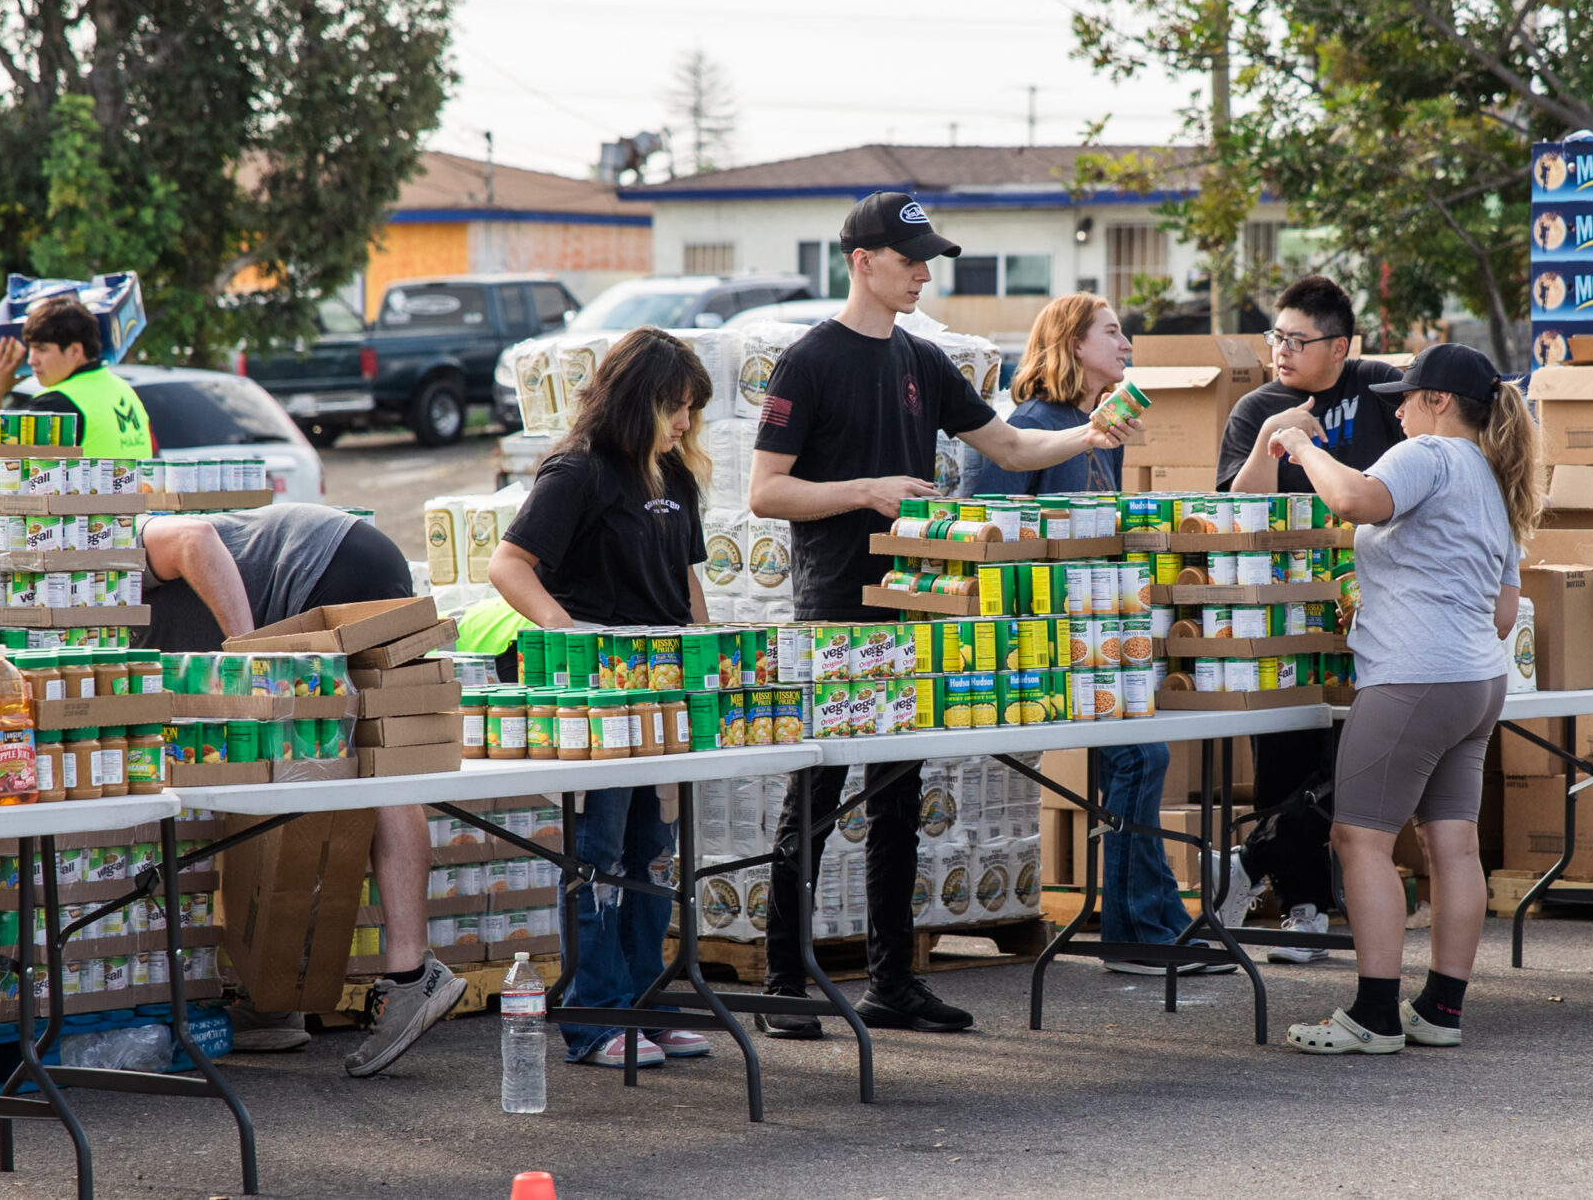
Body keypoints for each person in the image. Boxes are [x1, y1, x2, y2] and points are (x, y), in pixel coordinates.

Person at [749, 192, 1135, 1036]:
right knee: (816, 791)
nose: (925, 271)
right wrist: (868, 490)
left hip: (913, 603)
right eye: (911, 256)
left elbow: (1008, 445)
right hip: (836, 606)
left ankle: (892, 979)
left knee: (901, 791)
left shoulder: (921, 359)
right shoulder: (808, 361)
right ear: (862, 261)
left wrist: (1086, 435)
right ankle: (783, 978)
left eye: (929, 258)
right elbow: (764, 490)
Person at [136, 502, 462, 1075]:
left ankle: (411, 976)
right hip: (349, 559)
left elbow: (197, 537)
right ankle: (276, 997)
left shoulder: (113, 547)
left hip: (330, 568)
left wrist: (250, 654)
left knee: (372, 773)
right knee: (340, 773)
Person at [1271, 344, 1534, 1055]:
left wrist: (1298, 442)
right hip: (1477, 681)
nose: (1397, 407)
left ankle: (1374, 1013)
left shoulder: (1429, 455)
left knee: (1359, 837)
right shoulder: (1494, 477)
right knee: (1452, 844)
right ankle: (1441, 1007)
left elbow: (1353, 498)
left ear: (1440, 401)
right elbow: (1504, 610)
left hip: (1414, 677)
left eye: (1408, 395)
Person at [968, 296, 1231, 977]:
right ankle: (1141, 928)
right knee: (1141, 756)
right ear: (1073, 343)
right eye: (1113, 332)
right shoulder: (1030, 426)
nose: (1128, 344)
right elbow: (986, 530)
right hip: (1037, 640)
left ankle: (1146, 924)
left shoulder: (1098, 427)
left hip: (1099, 632)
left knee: (1138, 756)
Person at [487, 328, 714, 1069]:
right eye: (676, 406)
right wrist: (569, 631)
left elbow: (688, 583)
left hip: (664, 695)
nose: (684, 422)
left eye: (690, 409)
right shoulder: (577, 471)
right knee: (599, 850)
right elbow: (508, 564)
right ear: (637, 398)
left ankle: (647, 1001)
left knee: (653, 851)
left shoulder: (674, 477)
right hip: (596, 700)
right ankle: (595, 1014)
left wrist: (704, 655)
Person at [1214, 274, 1407, 962]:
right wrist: (1273, 432)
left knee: (1350, 762)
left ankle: (1246, 862)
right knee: (1284, 758)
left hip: (1379, 607)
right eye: (1277, 337)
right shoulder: (1255, 408)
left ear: (1340, 346)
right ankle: (1302, 909)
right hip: (1284, 613)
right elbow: (1239, 516)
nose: (1282, 351)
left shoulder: (1382, 386)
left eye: (1299, 340)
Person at [0, 293, 155, 460]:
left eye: (42, 349)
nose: (31, 360)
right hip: (134, 492)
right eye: (30, 348)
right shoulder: (123, 388)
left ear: (75, 351)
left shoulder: (57, 404)